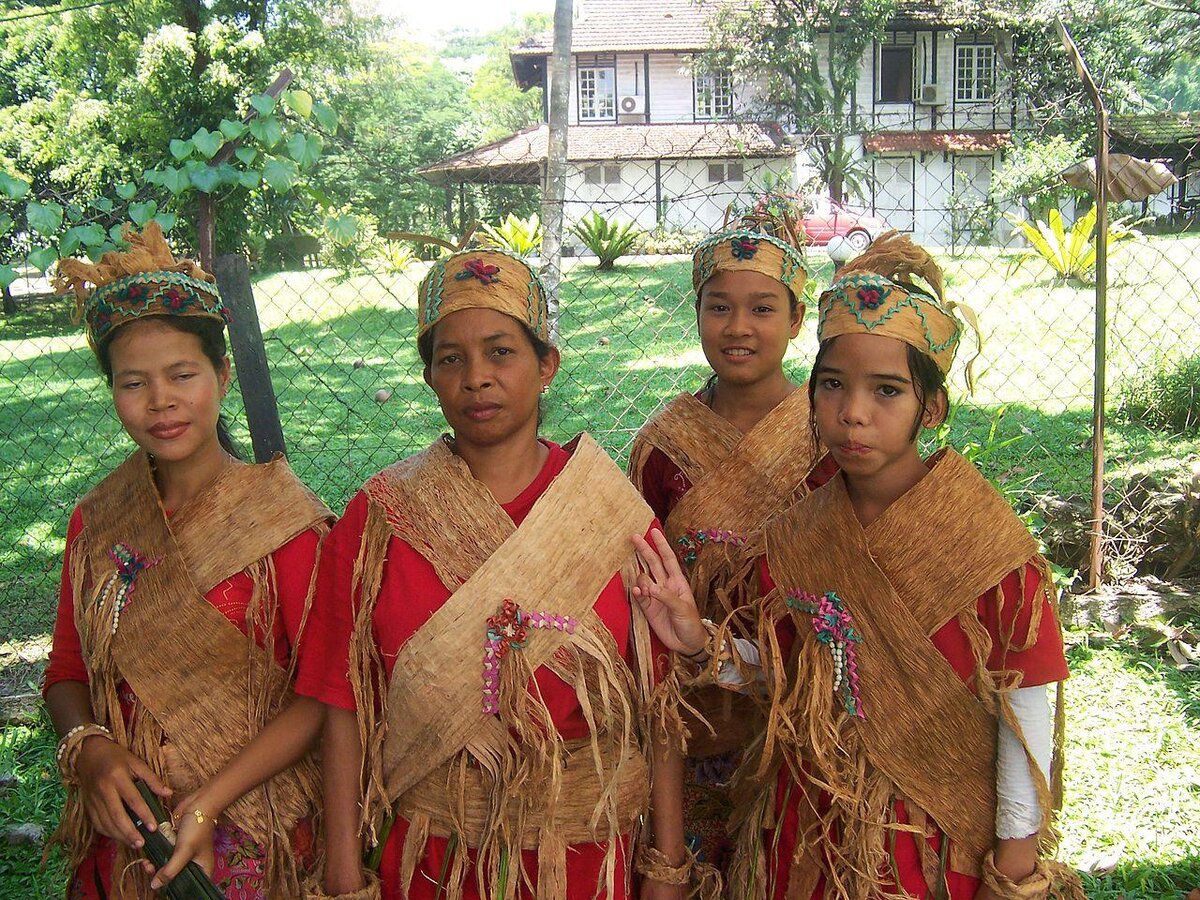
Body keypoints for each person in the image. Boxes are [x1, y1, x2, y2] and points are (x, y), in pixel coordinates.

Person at [640, 233, 1081, 900]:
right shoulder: (797, 536)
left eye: (887, 392)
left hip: (930, 851)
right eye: (834, 386)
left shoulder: (987, 545)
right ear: (810, 398)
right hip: (801, 839)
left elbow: (1028, 715)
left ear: (930, 409)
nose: (853, 413)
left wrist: (1013, 869)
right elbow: (778, 672)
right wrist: (702, 642)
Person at [297, 248, 700, 900]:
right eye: (450, 358)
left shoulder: (608, 513)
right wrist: (345, 869)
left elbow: (659, 705)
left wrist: (668, 864)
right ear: (429, 376)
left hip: (588, 861)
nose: (475, 377)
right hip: (435, 860)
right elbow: (340, 697)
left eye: (501, 352)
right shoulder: (380, 521)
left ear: (547, 366)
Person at [44, 223, 331, 898]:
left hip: (261, 833)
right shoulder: (98, 523)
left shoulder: (284, 523)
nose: (160, 401)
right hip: (130, 838)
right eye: (133, 383)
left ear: (222, 375)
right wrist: (89, 747)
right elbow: (65, 674)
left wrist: (207, 801)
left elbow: (319, 694)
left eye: (182, 375)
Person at [626, 217, 835, 879]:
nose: (738, 327)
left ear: (798, 320)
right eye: (719, 307)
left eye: (762, 308)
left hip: (804, 700)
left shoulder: (832, 440)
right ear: (696, 314)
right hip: (687, 715)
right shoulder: (663, 445)